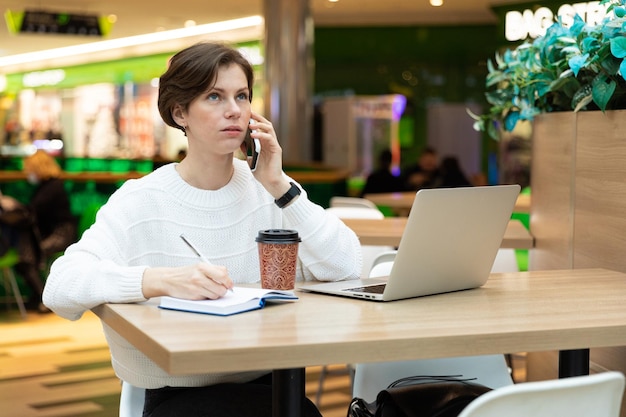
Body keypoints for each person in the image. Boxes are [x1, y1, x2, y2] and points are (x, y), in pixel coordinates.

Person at [43, 42, 361, 417]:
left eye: (241, 96)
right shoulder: (142, 199)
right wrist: (158, 281)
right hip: (178, 397)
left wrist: (278, 185)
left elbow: (347, 266)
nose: (234, 110)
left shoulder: (270, 190)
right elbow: (60, 286)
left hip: (271, 387)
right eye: (214, 96)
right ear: (181, 113)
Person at [0, 150, 76, 313]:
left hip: (62, 234)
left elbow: (32, 212)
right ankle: (39, 296)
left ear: (38, 168)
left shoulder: (52, 187)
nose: (27, 173)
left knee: (29, 254)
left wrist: (13, 206)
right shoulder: (46, 186)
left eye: (29, 169)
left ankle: (45, 299)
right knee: (26, 253)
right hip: (52, 232)